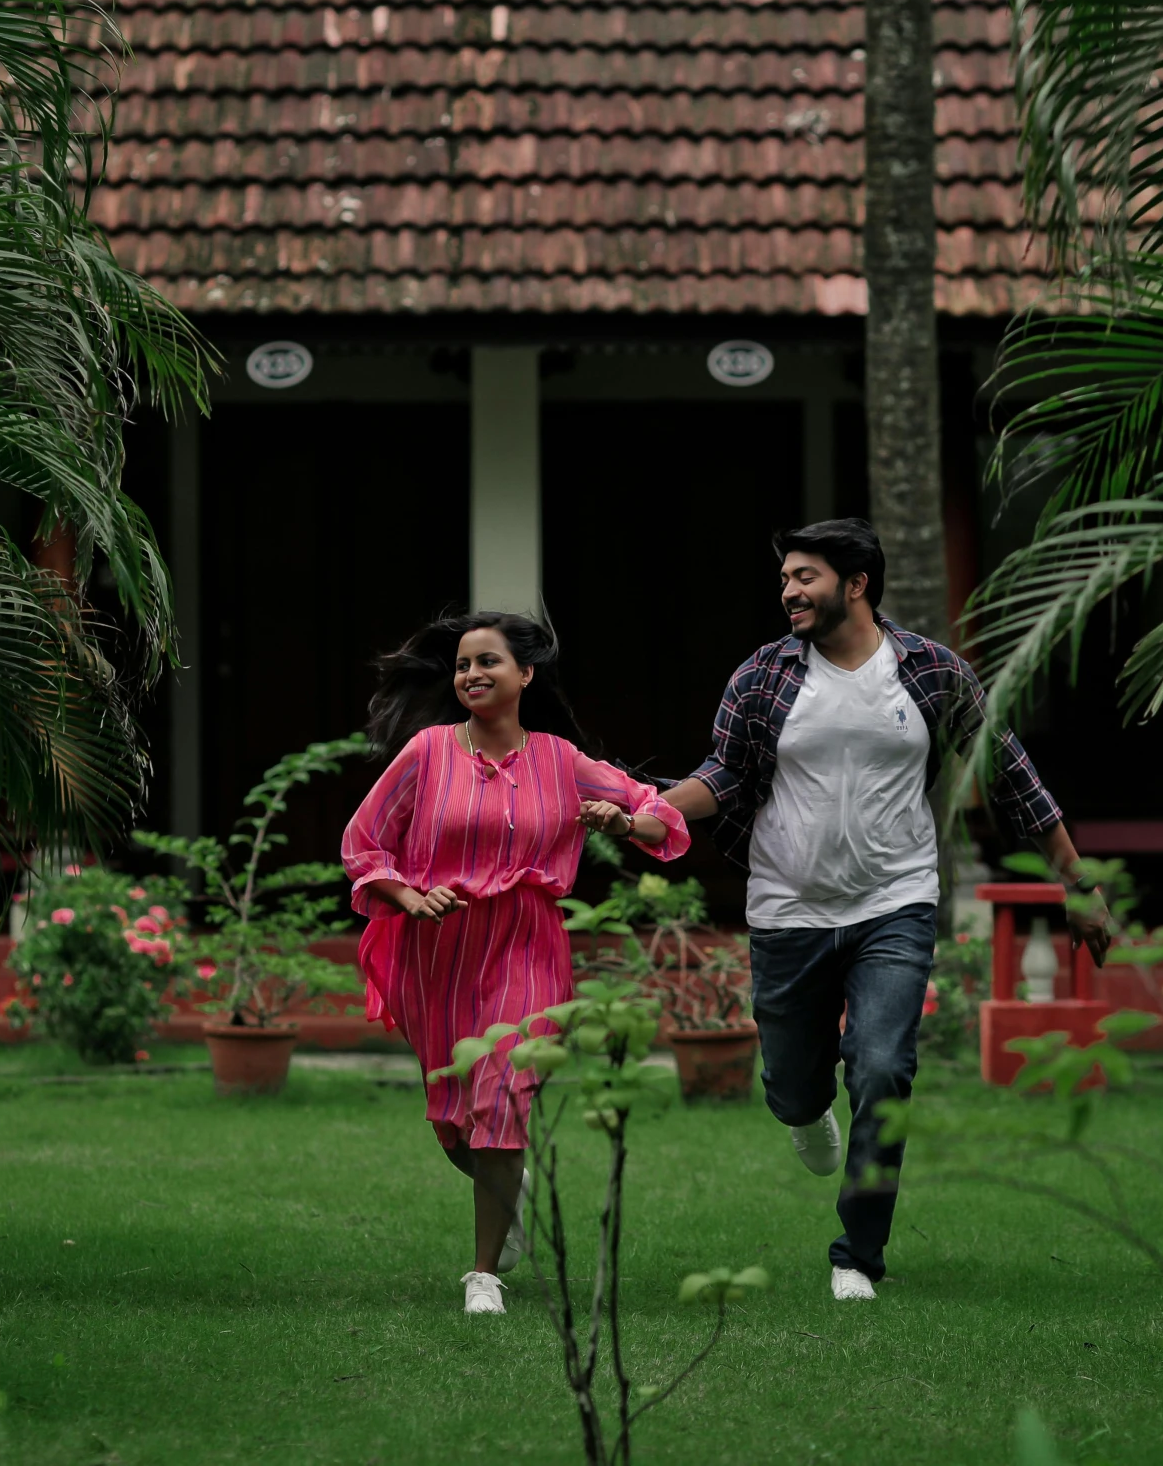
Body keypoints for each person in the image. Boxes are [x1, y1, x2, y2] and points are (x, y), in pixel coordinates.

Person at [658, 518, 1104, 1303]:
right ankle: (803, 1111)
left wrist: (1078, 880)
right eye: (787, 577)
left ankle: (857, 1254)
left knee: (882, 1067)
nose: (789, 590)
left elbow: (1012, 774)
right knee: (794, 1084)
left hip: (894, 901)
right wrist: (650, 812)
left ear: (856, 584)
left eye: (806, 576)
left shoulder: (930, 671)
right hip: (788, 908)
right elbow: (722, 773)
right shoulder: (762, 675)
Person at [343, 612, 690, 1316]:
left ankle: (482, 1275)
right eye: (464, 663)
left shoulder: (562, 760)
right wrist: (409, 895)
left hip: (527, 942)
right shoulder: (427, 751)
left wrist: (621, 822)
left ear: (526, 674)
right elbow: (364, 843)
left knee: (502, 1091)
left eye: (488, 661)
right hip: (436, 949)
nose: (471, 674)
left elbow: (660, 816)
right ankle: (507, 1182)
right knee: (455, 1122)